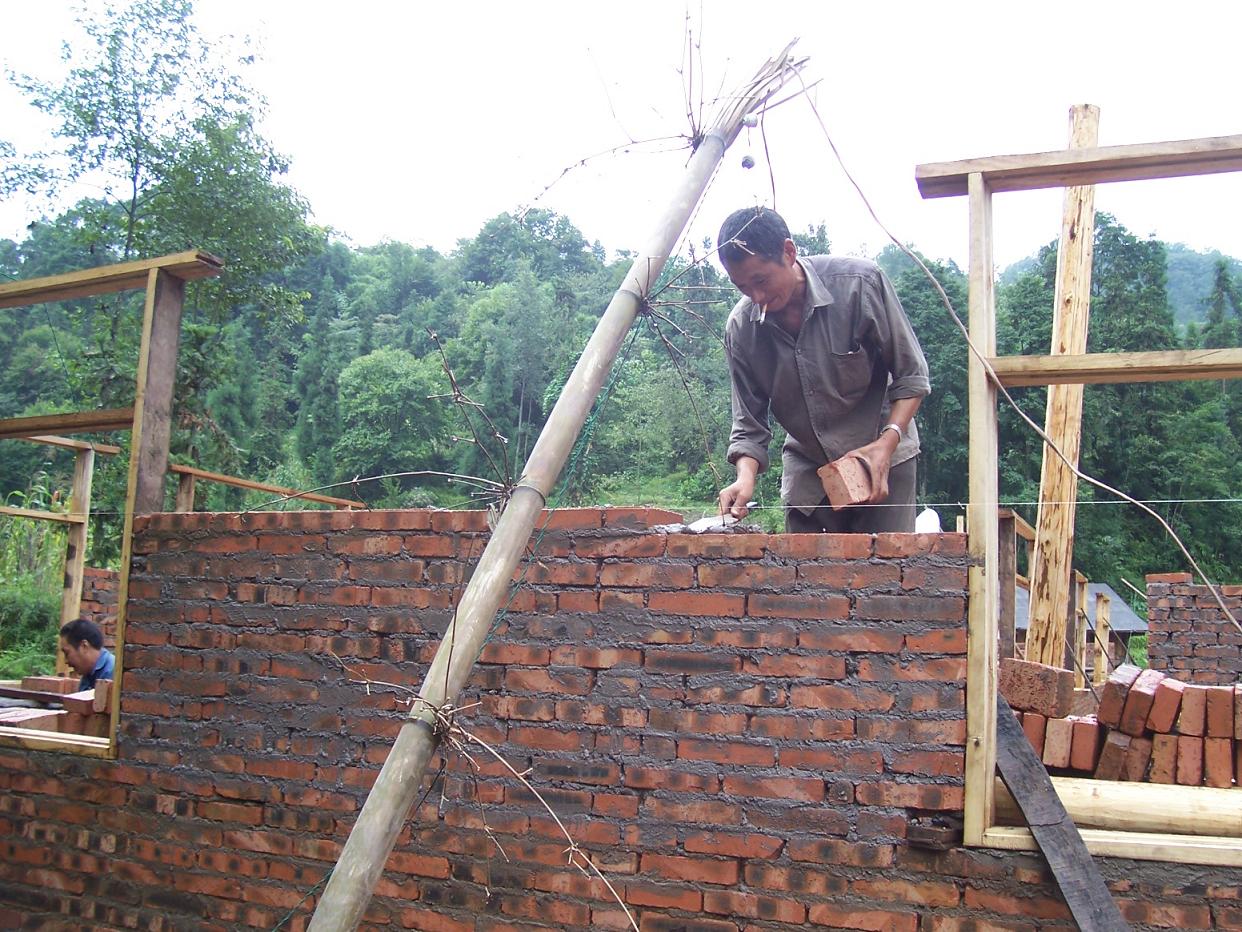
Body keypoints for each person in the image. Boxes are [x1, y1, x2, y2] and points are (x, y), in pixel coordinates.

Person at [716, 206, 930, 533]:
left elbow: (912, 376)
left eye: (761, 280)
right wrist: (744, 478)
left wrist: (886, 445)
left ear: (789, 252)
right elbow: (749, 424)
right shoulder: (742, 329)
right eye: (742, 286)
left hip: (882, 455)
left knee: (887, 562)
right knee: (805, 564)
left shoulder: (860, 284)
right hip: (809, 469)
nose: (756, 296)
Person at [58, 618, 115, 691]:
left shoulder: (112, 672)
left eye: (67, 653)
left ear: (84, 646)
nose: (66, 661)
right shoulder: (88, 672)